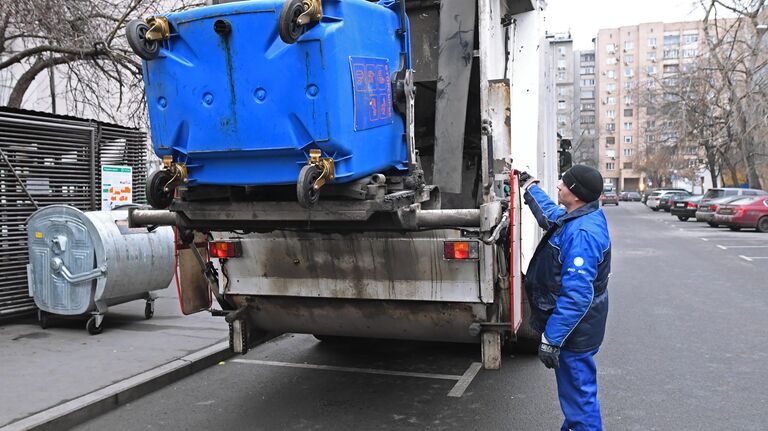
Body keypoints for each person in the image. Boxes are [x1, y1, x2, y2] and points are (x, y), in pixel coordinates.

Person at [518, 165, 610, 431]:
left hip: (575, 334)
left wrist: (552, 338)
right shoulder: (577, 217)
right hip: (579, 329)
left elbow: (578, 296)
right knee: (575, 399)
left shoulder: (582, 234)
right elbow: (551, 215)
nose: (558, 184)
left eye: (565, 183)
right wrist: (530, 188)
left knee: (580, 403)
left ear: (576, 194)